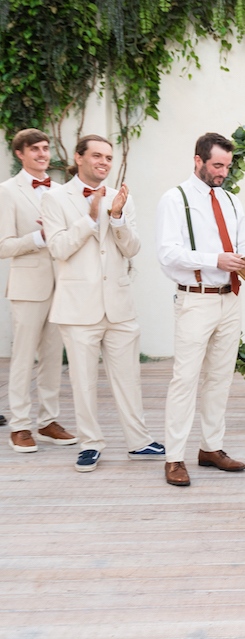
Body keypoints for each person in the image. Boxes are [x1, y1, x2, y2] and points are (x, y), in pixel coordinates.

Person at [41, 135, 163, 472]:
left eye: (109, 157)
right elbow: (58, 249)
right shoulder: (55, 199)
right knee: (83, 380)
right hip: (78, 308)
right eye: (97, 156)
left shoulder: (121, 197)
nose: (104, 162)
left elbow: (132, 248)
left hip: (119, 305)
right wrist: (91, 218)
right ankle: (90, 444)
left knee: (128, 377)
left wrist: (118, 217)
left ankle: (138, 441)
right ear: (79, 158)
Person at [156, 132, 245, 488]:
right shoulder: (175, 199)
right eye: (217, 165)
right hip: (195, 298)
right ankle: (174, 457)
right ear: (198, 160)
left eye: (227, 166)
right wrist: (214, 259)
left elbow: (242, 244)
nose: (223, 173)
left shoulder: (232, 201)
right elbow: (168, 254)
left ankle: (211, 448)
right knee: (185, 379)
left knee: (220, 376)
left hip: (230, 298)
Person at [0, 128, 75, 453]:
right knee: (23, 358)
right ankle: (19, 425)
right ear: (21, 153)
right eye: (35, 149)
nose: (43, 154)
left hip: (62, 286)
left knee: (51, 357)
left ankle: (47, 421)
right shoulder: (7, 192)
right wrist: (39, 238)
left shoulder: (60, 191)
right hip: (28, 287)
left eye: (45, 148)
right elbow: (3, 246)